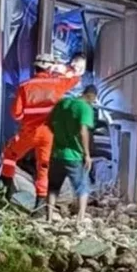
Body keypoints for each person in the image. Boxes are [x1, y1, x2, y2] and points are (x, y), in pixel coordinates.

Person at [0, 54, 86, 211]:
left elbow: (16, 114)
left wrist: (28, 118)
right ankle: (40, 206)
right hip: (50, 133)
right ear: (50, 68)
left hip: (29, 132)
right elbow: (75, 78)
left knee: (9, 155)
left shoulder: (25, 86)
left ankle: (5, 190)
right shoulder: (58, 83)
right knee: (44, 167)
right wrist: (67, 67)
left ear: (35, 68)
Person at [47, 84, 98, 223]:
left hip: (57, 154)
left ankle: (49, 218)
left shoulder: (62, 103)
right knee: (82, 187)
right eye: (93, 100)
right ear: (91, 96)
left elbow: (49, 123)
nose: (93, 102)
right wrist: (87, 154)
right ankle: (80, 219)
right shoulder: (85, 108)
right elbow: (83, 131)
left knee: (53, 187)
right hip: (74, 156)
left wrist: (59, 137)